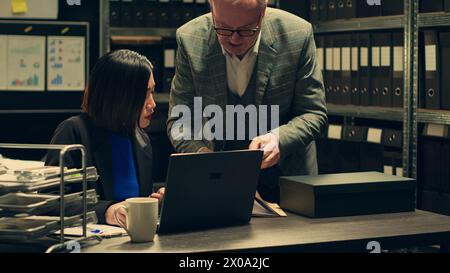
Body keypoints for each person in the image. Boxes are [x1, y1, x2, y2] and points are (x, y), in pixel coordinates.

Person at [165, 0, 328, 203]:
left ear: (262, 13)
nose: (234, 39)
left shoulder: (297, 35)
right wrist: (203, 156)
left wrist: (279, 139)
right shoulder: (190, 39)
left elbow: (314, 113)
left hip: (289, 183)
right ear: (212, 9)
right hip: (219, 184)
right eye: (223, 28)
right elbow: (179, 122)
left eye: (245, 29)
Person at [45, 49, 162, 226]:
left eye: (152, 92)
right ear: (120, 96)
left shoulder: (141, 139)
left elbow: (134, 201)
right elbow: (52, 203)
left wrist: (157, 201)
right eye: (145, 94)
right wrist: (106, 211)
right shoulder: (74, 132)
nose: (152, 104)